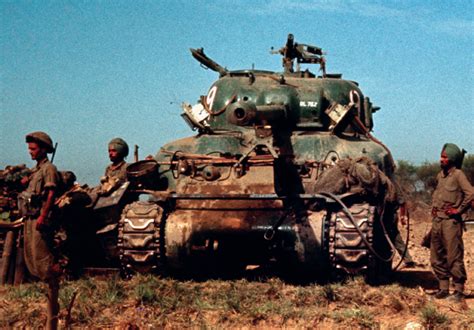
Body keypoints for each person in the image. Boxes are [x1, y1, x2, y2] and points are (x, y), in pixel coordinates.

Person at [22, 131, 61, 328]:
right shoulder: (35, 171)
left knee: (42, 256)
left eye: (34, 149)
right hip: (30, 217)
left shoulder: (49, 168)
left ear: (44, 149)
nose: (30, 152)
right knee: (31, 256)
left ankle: (53, 292)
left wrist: (44, 216)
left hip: (40, 217)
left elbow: (51, 194)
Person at [430, 143, 473, 302]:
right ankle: (443, 288)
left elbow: (470, 194)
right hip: (437, 221)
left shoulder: (459, 175)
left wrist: (458, 210)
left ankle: (459, 291)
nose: (441, 159)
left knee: (453, 256)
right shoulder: (440, 175)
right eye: (441, 156)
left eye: (445, 157)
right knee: (436, 256)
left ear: (452, 159)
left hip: (451, 223)